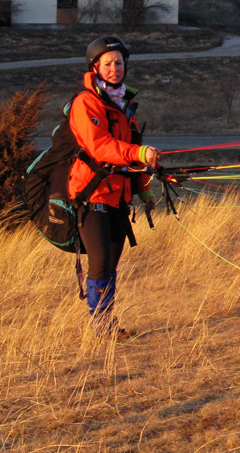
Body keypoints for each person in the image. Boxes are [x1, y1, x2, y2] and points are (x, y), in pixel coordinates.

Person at [69, 35, 159, 338]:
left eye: (118, 63)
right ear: (95, 67)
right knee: (101, 260)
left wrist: (144, 190)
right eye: (107, 63)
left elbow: (134, 153)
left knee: (111, 263)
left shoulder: (124, 106)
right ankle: (101, 328)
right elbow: (100, 147)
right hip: (91, 194)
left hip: (118, 198)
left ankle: (106, 323)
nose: (114, 68)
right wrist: (138, 154)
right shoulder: (86, 103)